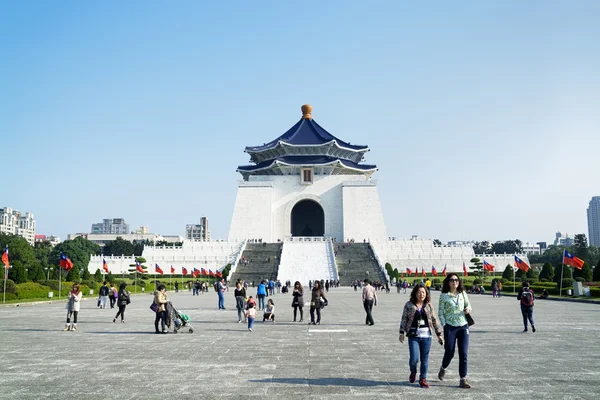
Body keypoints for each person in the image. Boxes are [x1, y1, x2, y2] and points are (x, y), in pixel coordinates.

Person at [399, 284, 444, 388]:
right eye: (419, 292)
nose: (421, 294)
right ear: (415, 293)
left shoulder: (428, 305)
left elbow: (434, 320)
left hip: (426, 336)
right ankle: (413, 371)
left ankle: (423, 379)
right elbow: (404, 319)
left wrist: (439, 334)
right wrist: (401, 333)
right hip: (413, 335)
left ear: (426, 294)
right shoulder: (409, 305)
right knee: (414, 359)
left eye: (423, 292)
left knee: (425, 359)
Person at [438, 274, 472, 389]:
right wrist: (445, 325)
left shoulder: (462, 294)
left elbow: (468, 305)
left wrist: (468, 309)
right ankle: (443, 368)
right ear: (448, 282)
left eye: (456, 280)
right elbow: (440, 313)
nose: (454, 282)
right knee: (450, 352)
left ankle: (463, 379)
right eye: (452, 280)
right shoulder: (444, 296)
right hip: (450, 327)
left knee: (464, 353)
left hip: (463, 326)